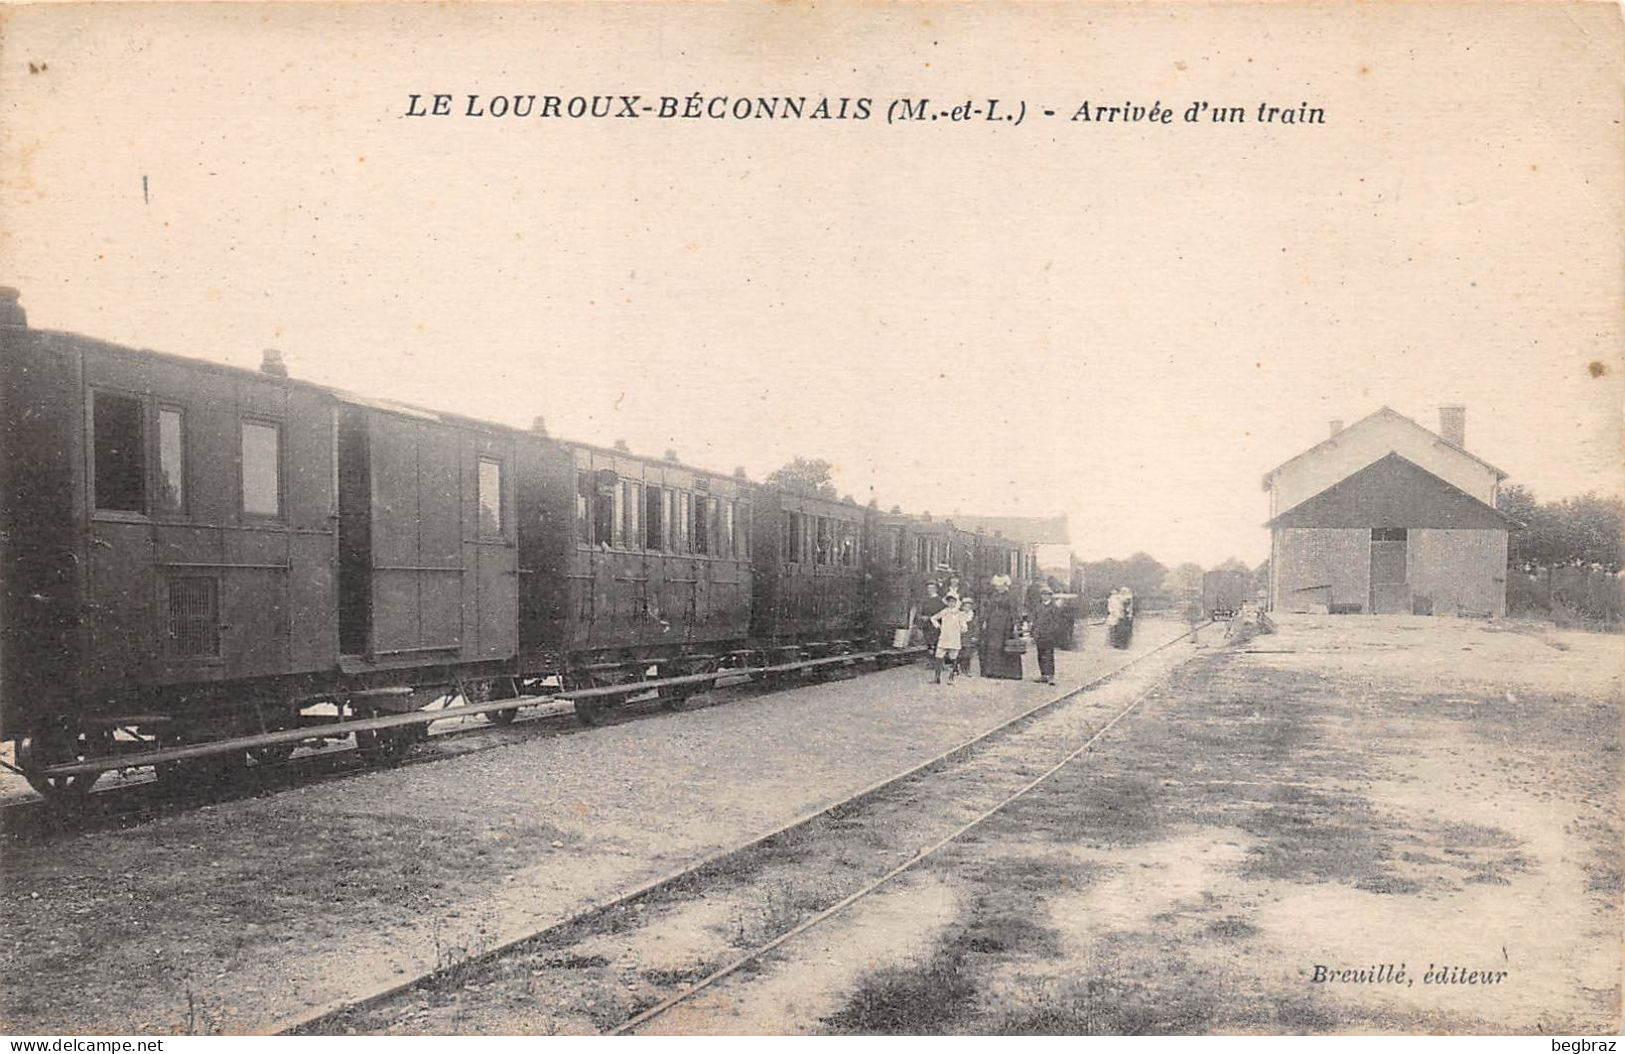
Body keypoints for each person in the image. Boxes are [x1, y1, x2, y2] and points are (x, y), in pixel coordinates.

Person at [978, 575, 1025, 680]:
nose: (999, 588)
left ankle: (1009, 673)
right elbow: (988, 609)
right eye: (997, 586)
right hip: (993, 623)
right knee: (992, 646)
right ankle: (992, 671)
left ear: (1005, 585)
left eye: (1001, 586)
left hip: (1005, 623)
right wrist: (985, 620)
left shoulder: (1011, 596)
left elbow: (1014, 610)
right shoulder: (993, 595)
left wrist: (1016, 624)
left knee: (1004, 646)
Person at [929, 594, 971, 685]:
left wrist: (961, 629)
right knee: (938, 656)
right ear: (947, 603)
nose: (951, 603)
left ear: (956, 603)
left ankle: (951, 678)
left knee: (953, 658)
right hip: (944, 637)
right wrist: (938, 626)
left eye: (953, 602)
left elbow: (964, 626)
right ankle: (937, 678)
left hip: (954, 638)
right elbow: (933, 618)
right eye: (949, 601)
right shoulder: (944, 611)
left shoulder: (960, 614)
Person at [1031, 586, 1067, 684]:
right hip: (1039, 634)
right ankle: (1043, 675)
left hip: (1049, 635)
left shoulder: (1054, 608)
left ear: (1050, 596)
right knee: (1040, 655)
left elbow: (1057, 622)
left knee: (1049, 655)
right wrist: (1034, 631)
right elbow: (1035, 620)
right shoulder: (1038, 607)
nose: (1044, 597)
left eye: (1047, 595)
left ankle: (1051, 676)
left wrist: (1052, 632)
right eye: (1043, 594)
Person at [917, 581, 945, 654]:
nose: (930, 590)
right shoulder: (925, 600)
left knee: (935, 644)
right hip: (926, 625)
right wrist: (921, 617)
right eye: (928, 588)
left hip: (935, 625)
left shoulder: (940, 601)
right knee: (928, 644)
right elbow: (921, 611)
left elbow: (942, 613)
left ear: (936, 589)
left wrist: (930, 617)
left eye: (932, 588)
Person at [957, 596, 979, 676]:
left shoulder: (973, 616)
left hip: (969, 636)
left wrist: (975, 636)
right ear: (962, 607)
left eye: (969, 606)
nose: (967, 608)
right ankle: (959, 668)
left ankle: (966, 669)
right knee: (960, 653)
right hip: (960, 635)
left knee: (967, 654)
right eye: (965, 606)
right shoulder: (959, 615)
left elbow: (976, 627)